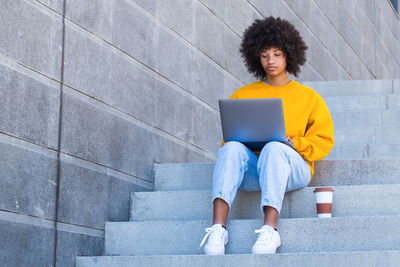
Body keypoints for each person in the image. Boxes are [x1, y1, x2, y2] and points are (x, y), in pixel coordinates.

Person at [199, 16, 335, 255]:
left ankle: (270, 229)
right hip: (256, 170)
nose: (270, 61)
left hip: (294, 167)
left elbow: (324, 141)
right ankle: (217, 228)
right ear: (255, 58)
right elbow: (229, 142)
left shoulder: (309, 97)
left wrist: (295, 143)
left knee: (275, 147)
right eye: (264, 55)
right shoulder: (243, 93)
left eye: (276, 54)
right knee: (230, 149)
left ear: (289, 55)